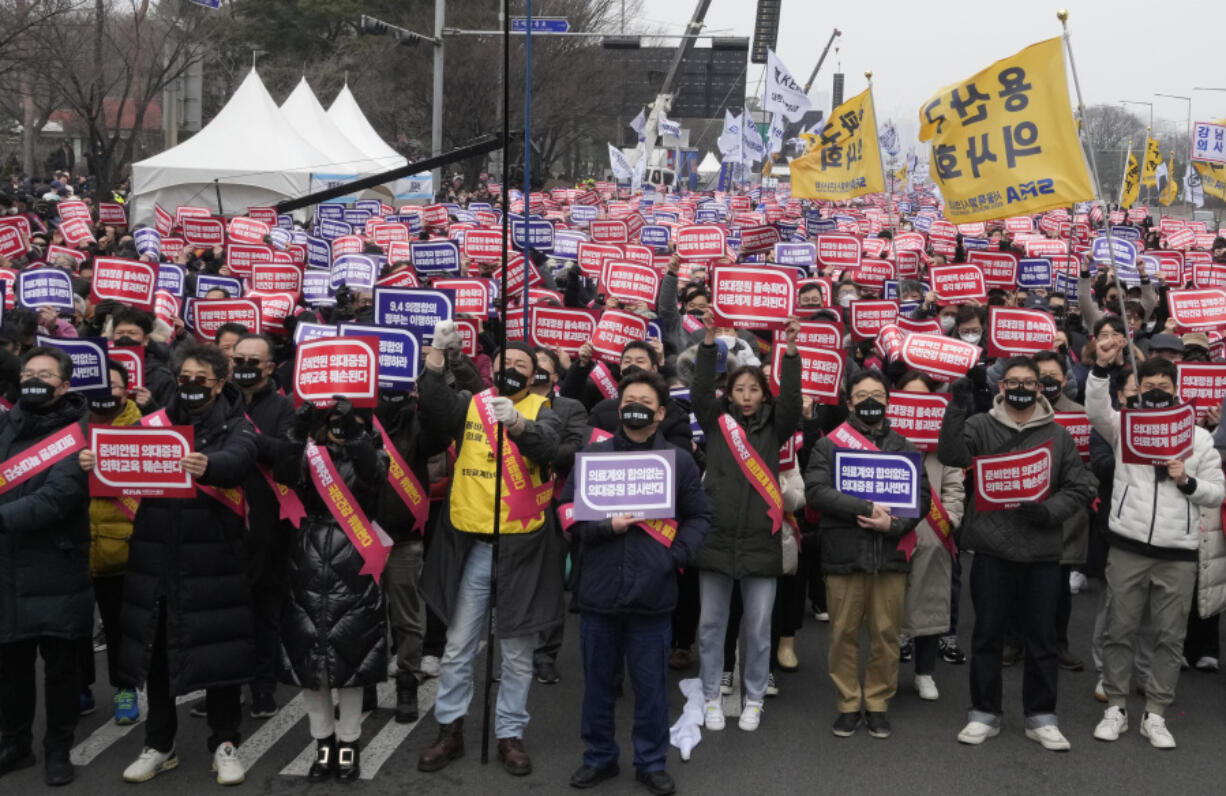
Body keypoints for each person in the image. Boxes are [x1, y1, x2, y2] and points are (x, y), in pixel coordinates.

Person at [105, 344, 258, 785]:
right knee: (155, 654)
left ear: (220, 384)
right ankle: (159, 744)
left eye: (202, 379)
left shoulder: (236, 426)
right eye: (185, 377)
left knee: (219, 654)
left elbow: (237, 462)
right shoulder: (152, 425)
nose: (191, 385)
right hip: (154, 558)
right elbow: (119, 462)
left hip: (214, 561)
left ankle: (225, 743)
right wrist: (95, 463)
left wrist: (208, 465)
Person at [416, 327, 563, 777]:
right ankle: (450, 728)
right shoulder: (472, 405)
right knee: (459, 646)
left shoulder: (549, 409)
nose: (513, 371)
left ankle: (509, 733)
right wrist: (438, 357)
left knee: (517, 652)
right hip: (474, 545)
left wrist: (517, 424)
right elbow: (437, 412)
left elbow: (550, 447)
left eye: (523, 365)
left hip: (522, 549)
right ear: (492, 371)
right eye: (506, 365)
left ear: (536, 375)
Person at [563, 369, 711, 796]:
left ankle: (650, 761)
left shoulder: (679, 462)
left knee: (649, 688)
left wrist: (676, 556)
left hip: (653, 592)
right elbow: (568, 514)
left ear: (661, 412)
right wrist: (606, 526)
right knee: (597, 687)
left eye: (646, 401)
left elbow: (701, 516)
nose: (636, 406)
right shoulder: (594, 458)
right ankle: (599, 757)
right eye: (629, 399)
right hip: (598, 592)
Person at [938, 355, 1096, 751]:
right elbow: (953, 454)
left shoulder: (1059, 436)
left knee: (1042, 639)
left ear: (1040, 389)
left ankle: (1041, 716)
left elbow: (1081, 486)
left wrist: (1050, 511)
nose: (1021, 388)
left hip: (1042, 553)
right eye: (1014, 382)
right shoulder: (979, 425)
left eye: (1030, 381)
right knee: (987, 635)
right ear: (1001, 387)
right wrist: (957, 405)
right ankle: (984, 712)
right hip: (991, 551)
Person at [1085, 349, 1224, 749]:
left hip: (1178, 552)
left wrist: (1188, 482)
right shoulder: (1123, 427)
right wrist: (1099, 369)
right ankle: (1115, 706)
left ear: (1178, 391)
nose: (1158, 393)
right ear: (1138, 392)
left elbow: (1217, 492)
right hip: (1127, 545)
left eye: (1165, 387)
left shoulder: (1198, 438)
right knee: (1120, 629)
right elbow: (1096, 411)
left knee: (1169, 636)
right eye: (1149, 388)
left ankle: (1156, 714)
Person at [691, 309, 801, 734]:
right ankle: (711, 696)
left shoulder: (777, 428)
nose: (748, 395)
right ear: (730, 393)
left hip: (761, 539)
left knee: (758, 629)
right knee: (711, 626)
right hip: (717, 537)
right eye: (740, 388)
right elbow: (701, 390)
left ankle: (754, 697)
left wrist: (790, 352)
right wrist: (707, 340)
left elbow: (791, 400)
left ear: (764, 394)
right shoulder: (715, 423)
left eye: (755, 389)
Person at [806, 370, 930, 738]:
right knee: (842, 633)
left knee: (886, 633)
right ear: (849, 403)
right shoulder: (829, 446)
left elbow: (919, 500)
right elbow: (816, 491)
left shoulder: (904, 447)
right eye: (862, 395)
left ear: (889, 401)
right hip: (843, 553)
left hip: (888, 555)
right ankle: (847, 702)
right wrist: (865, 506)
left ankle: (876, 702)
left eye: (877, 394)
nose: (870, 401)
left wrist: (889, 526)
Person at [273, 397, 389, 782]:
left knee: (350, 658)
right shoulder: (310, 453)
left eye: (351, 416)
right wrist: (298, 428)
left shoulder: (373, 448)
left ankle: (349, 742)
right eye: (335, 418)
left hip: (355, 558)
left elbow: (374, 476)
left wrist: (356, 434)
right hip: (307, 558)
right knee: (312, 662)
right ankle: (322, 742)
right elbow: (284, 474)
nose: (341, 423)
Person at [0, 346, 91, 787]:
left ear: (64, 385)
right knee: (11, 667)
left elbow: (58, 497)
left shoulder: (80, 435)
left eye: (44, 374)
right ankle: (15, 743)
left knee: (60, 669)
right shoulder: (5, 425)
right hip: (7, 568)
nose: (34, 380)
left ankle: (58, 747)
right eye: (28, 373)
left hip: (57, 564)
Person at [229, 333, 295, 719]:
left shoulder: (284, 406)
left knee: (265, 611)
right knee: (228, 613)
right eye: (239, 360)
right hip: (223, 520)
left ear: (270, 367)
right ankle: (228, 686)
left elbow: (288, 452)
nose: (245, 367)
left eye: (254, 361)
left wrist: (248, 439)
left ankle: (263, 687)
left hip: (269, 524)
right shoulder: (222, 401)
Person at [894, 372, 964, 703]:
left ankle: (924, 673)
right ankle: (886, 672)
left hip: (933, 533)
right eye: (909, 400)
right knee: (888, 607)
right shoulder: (886, 439)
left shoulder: (944, 444)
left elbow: (954, 487)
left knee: (930, 606)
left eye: (924, 400)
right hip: (891, 533)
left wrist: (949, 519)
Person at [80, 359, 143, 726]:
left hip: (122, 546)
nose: (106, 393)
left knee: (119, 627)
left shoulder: (146, 428)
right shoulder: (70, 429)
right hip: (74, 546)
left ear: (126, 389)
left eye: (113, 385)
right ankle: (79, 687)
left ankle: (125, 688)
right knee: (73, 629)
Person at [530, 346, 588, 686]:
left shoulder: (570, 407)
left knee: (551, 583)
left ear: (554, 375)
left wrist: (536, 447)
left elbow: (575, 449)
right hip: (513, 506)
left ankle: (545, 654)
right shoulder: (506, 404)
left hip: (552, 503)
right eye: (530, 365)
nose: (536, 371)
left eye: (543, 366)